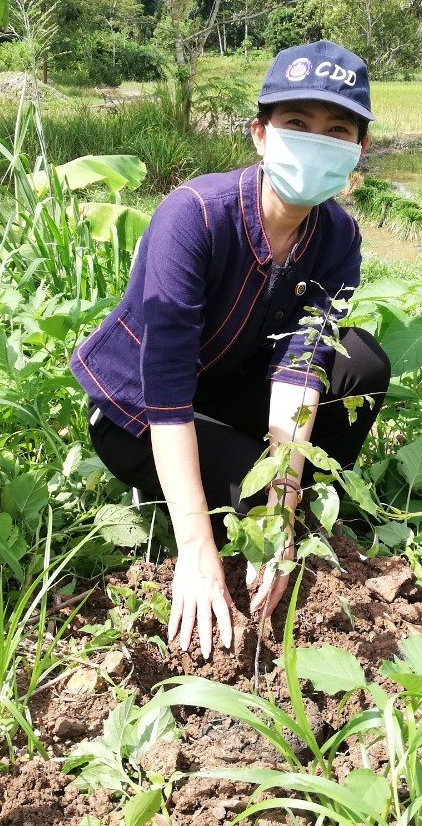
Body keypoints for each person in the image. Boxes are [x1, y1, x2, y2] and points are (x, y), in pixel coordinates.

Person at [72, 40, 391, 660]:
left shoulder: (337, 236)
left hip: (230, 387)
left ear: (358, 151)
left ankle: (293, 515)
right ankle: (188, 511)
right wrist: (196, 547)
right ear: (260, 134)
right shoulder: (192, 218)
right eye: (297, 125)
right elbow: (163, 391)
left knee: (362, 365)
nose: (316, 140)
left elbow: (302, 366)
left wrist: (286, 497)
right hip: (140, 415)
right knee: (248, 504)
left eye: (337, 130)